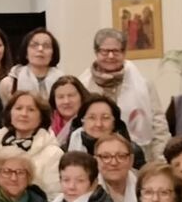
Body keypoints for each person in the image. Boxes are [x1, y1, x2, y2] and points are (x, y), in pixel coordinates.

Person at [78, 27, 170, 160]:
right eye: (105, 51)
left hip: (139, 157)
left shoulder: (144, 85)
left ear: (124, 53)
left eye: (116, 51)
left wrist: (160, 160)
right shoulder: (83, 85)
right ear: (96, 52)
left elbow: (159, 127)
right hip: (94, 158)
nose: (110, 56)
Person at [0, 91, 63, 196]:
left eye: (31, 110)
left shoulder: (53, 153)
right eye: (18, 108)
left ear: (41, 117)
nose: (24, 114)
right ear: (10, 113)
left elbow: (53, 194)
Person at [0, 27, 63, 105]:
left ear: (53, 54)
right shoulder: (9, 83)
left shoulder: (63, 82)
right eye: (34, 45)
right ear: (26, 52)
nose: (40, 49)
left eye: (46, 46)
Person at [93, 133, 143, 202]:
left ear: (131, 160)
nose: (114, 162)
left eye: (121, 156)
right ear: (96, 161)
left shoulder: (145, 185)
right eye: (106, 157)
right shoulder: (85, 190)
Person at [63, 96, 131, 158]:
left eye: (105, 118)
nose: (98, 124)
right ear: (82, 121)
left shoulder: (132, 151)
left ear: (114, 122)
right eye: (92, 118)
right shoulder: (65, 150)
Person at [49, 75, 90, 144]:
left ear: (82, 97)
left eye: (71, 95)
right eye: (60, 97)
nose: (66, 101)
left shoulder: (91, 123)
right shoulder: (46, 124)